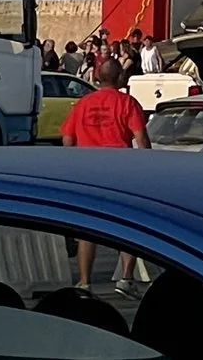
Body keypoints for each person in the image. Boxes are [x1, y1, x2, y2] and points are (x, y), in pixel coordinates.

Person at [62, 58, 149, 288]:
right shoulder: (127, 103)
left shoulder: (82, 104)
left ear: (97, 77)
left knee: (87, 230)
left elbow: (68, 138)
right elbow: (141, 139)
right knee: (128, 226)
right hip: (121, 171)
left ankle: (84, 281)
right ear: (120, 77)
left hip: (87, 172)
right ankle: (126, 278)